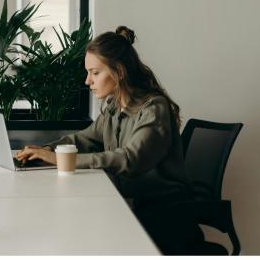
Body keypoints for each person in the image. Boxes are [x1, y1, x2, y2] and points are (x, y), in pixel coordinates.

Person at [15, 26, 205, 254]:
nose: (87, 81)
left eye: (95, 73)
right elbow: (84, 139)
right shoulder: (115, 107)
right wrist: (44, 150)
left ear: (118, 72)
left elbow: (130, 160)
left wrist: (59, 159)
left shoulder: (154, 108)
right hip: (132, 203)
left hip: (164, 215)